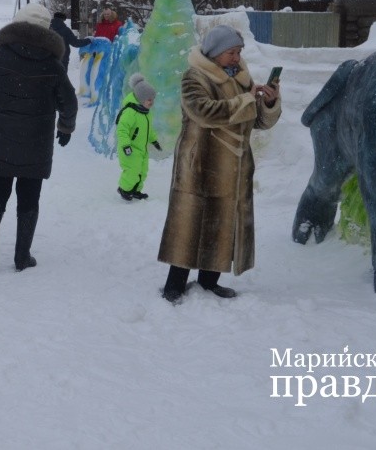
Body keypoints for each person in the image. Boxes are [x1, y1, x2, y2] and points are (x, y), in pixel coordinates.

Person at [157, 25, 280, 303]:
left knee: (221, 225)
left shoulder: (241, 78)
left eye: (238, 52)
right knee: (189, 226)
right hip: (199, 164)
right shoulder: (194, 77)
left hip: (233, 168)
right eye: (231, 52)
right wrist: (248, 99)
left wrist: (268, 103)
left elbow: (256, 120)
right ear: (214, 53)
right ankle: (174, 285)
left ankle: (209, 282)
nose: (236, 57)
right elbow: (204, 112)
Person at [0, 2, 78, 272]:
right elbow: (69, 102)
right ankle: (22, 257)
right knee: (29, 198)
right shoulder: (52, 63)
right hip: (35, 144)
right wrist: (65, 127)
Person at [116, 73, 161, 201]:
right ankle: (124, 189)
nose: (151, 102)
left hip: (142, 149)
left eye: (153, 99)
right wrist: (126, 145)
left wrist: (154, 140)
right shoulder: (130, 112)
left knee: (143, 170)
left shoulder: (146, 113)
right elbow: (122, 129)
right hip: (130, 148)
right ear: (141, 98)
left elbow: (148, 130)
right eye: (149, 99)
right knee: (132, 170)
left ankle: (135, 190)